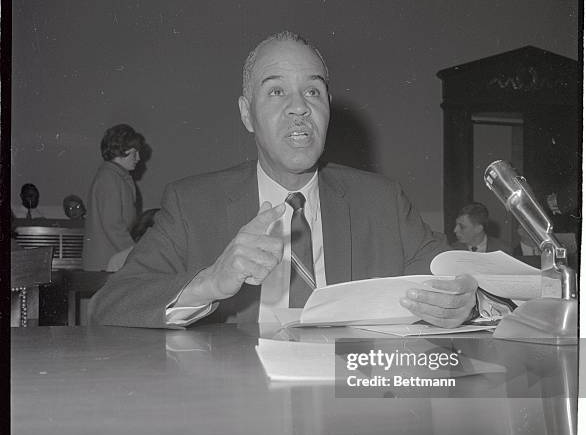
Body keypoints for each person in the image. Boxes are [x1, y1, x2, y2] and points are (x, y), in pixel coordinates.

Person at [91, 31, 478, 329]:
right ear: (247, 114)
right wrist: (209, 282)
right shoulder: (192, 204)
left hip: (351, 403)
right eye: (276, 91)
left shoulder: (382, 202)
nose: (298, 107)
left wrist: (466, 301)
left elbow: (460, 278)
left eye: (313, 90)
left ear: (328, 108)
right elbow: (109, 304)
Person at [82, 124, 146, 271]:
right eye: (135, 152)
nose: (138, 158)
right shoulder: (109, 178)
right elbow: (113, 226)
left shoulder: (117, 177)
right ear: (121, 151)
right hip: (106, 262)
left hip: (112, 258)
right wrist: (136, 253)